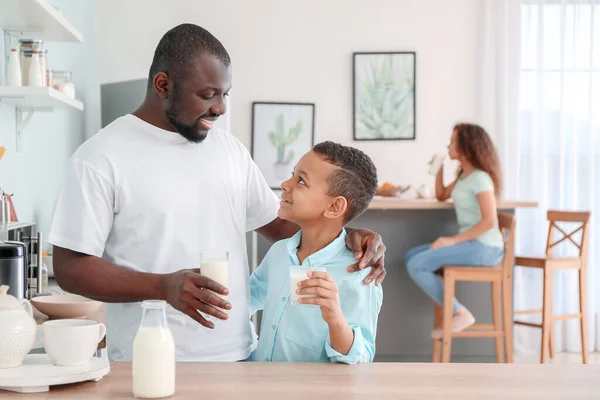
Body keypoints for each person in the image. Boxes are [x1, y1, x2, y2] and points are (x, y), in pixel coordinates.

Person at [48, 24, 386, 362]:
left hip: (240, 357)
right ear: (163, 85)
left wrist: (349, 234)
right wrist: (161, 287)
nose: (221, 108)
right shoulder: (99, 157)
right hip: (148, 360)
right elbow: (70, 268)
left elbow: (283, 226)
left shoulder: (228, 150)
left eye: (225, 94)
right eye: (208, 94)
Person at [250, 142, 383, 363]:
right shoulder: (279, 252)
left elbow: (361, 360)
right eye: (293, 174)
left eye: (301, 180)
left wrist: (334, 316)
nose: (285, 183)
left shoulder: (359, 274)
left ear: (333, 207)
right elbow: (250, 297)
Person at [405, 123, 504, 339]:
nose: (448, 145)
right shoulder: (463, 176)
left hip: (485, 247)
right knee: (411, 256)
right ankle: (451, 300)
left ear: (467, 146)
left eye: (452, 142)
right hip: (473, 244)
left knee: (416, 264)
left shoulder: (480, 178)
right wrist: (438, 170)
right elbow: (441, 195)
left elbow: (489, 221)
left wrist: (451, 241)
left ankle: (460, 312)